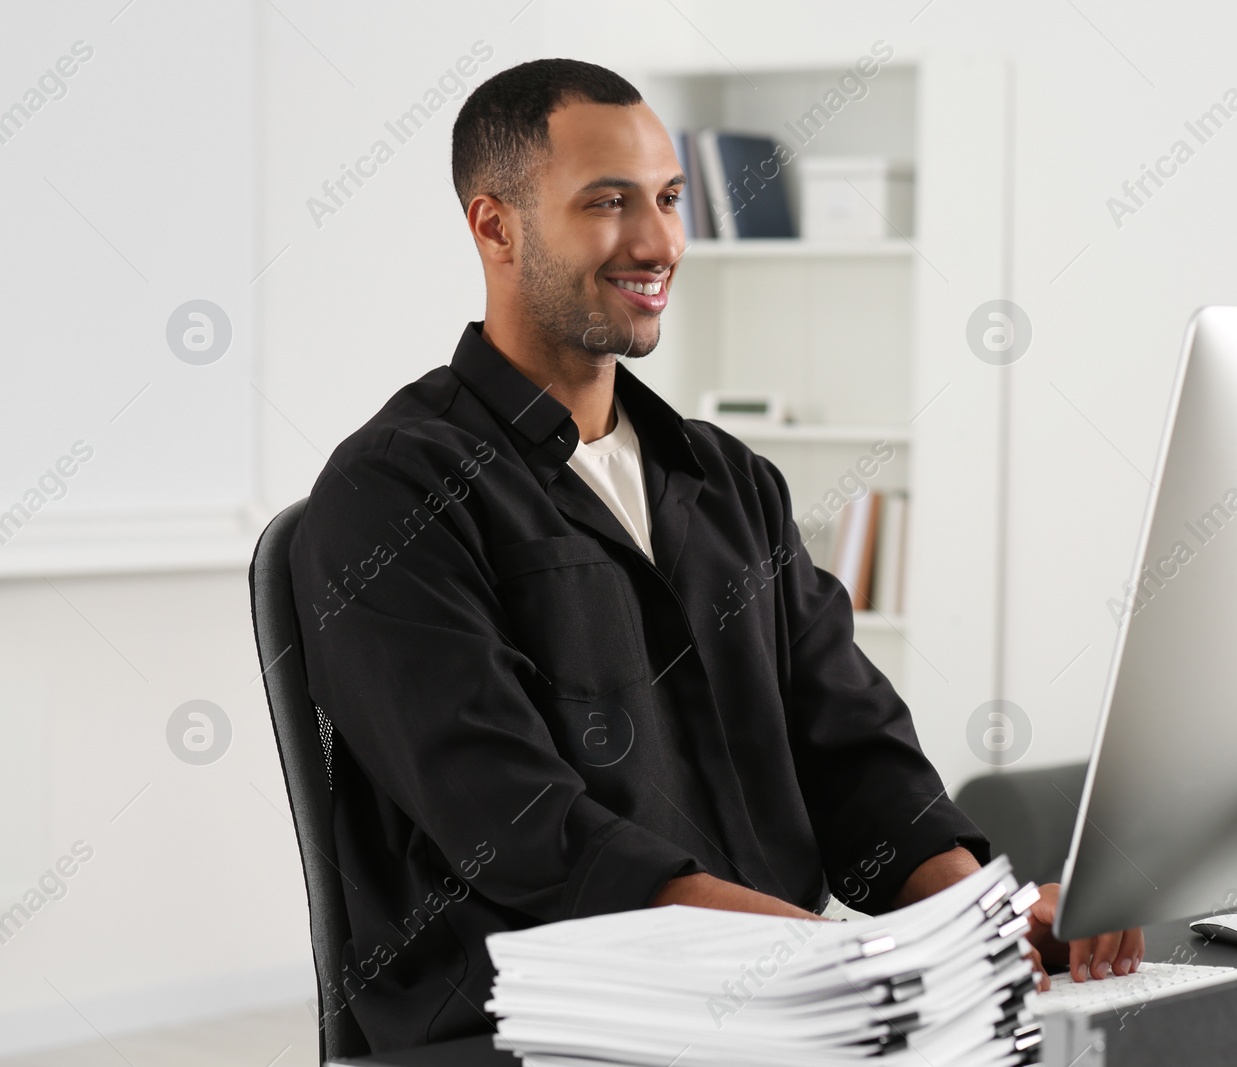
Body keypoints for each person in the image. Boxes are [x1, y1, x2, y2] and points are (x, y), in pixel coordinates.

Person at [290, 57, 1140, 1052]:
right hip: (541, 1026)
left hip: (783, 1004)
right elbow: (525, 831)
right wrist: (839, 962)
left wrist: (984, 927)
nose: (657, 241)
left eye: (668, 198)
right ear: (494, 226)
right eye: (608, 203)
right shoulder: (389, 491)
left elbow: (854, 753)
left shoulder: (730, 481)